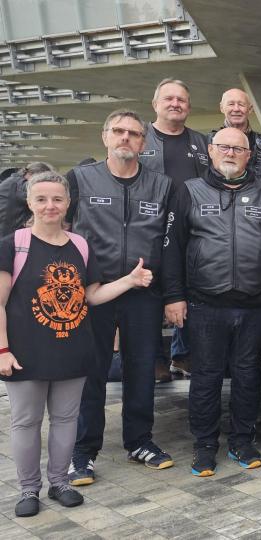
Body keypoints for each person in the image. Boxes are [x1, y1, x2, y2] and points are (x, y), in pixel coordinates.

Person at [0, 171, 152, 517]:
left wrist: (128, 281)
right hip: (25, 354)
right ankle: (28, 489)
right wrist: (2, 350)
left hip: (72, 349)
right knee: (26, 422)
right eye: (41, 199)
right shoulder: (14, 244)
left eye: (57, 199)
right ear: (29, 203)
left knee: (66, 420)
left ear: (68, 203)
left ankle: (60, 481)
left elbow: (92, 296)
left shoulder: (79, 245)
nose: (50, 206)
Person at [163, 128, 261, 477]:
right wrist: (174, 296)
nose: (231, 152)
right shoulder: (190, 192)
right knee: (205, 377)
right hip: (204, 304)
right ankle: (205, 445)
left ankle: (242, 441)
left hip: (255, 304)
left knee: (247, 374)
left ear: (249, 155)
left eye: (238, 148)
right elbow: (172, 249)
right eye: (223, 146)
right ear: (210, 150)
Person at [64, 110, 176, 487]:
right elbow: (59, 233)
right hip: (92, 293)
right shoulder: (79, 179)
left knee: (141, 369)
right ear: (105, 136)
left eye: (134, 134)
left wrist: (169, 290)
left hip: (143, 292)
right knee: (90, 371)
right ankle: (83, 451)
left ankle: (139, 441)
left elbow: (171, 243)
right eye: (119, 131)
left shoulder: (162, 186)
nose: (126, 138)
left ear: (143, 143)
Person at [141, 78, 209, 380]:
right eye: (168, 98)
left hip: (189, 228)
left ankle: (182, 354)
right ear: (155, 104)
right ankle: (155, 358)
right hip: (149, 227)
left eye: (181, 99)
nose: (175, 104)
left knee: (187, 289)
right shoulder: (141, 137)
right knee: (151, 292)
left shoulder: (201, 141)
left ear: (189, 107)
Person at [210, 88, 261, 175]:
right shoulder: (209, 141)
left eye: (241, 104)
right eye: (231, 104)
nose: (236, 109)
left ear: (250, 109)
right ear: (221, 108)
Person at [0, 162, 55, 236]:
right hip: (6, 232)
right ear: (36, 175)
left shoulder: (13, 181)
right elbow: (41, 196)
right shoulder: (21, 185)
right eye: (43, 180)